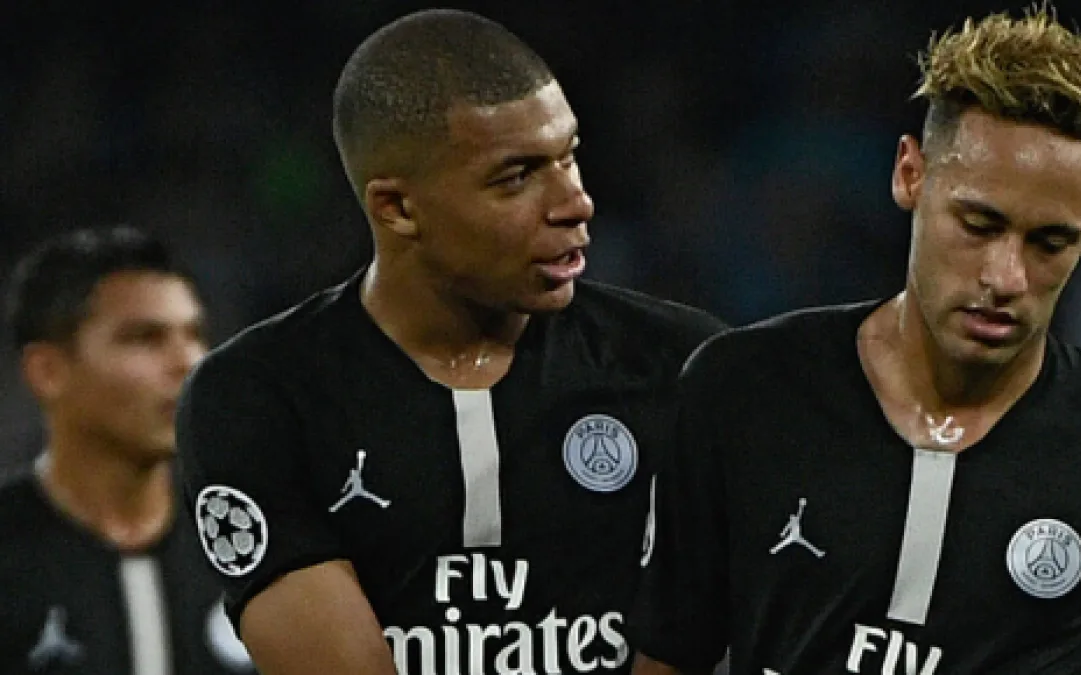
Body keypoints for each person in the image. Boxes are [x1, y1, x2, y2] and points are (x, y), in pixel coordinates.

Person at [629, 6, 1081, 675]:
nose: (1005, 278)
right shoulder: (743, 388)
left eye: (1050, 242)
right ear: (910, 174)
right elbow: (669, 658)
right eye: (978, 224)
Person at [176, 8, 726, 675]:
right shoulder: (260, 396)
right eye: (517, 175)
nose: (575, 201)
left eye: (569, 156)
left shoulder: (686, 367)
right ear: (398, 208)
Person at [0, 226, 255, 674]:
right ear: (48, 371)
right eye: (145, 338)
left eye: (194, 334)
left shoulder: (254, 547)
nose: (188, 363)